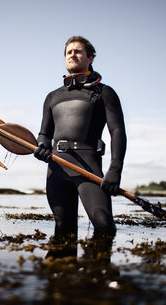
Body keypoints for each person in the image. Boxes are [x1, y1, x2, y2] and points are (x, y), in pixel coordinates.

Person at [34, 36, 127, 239]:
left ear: (90, 58)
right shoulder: (52, 96)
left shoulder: (105, 93)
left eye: (77, 51)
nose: (72, 55)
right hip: (56, 168)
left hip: (88, 166)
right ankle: (64, 270)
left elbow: (117, 131)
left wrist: (115, 169)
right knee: (63, 228)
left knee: (104, 226)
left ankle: (98, 269)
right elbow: (44, 134)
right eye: (69, 52)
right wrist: (41, 146)